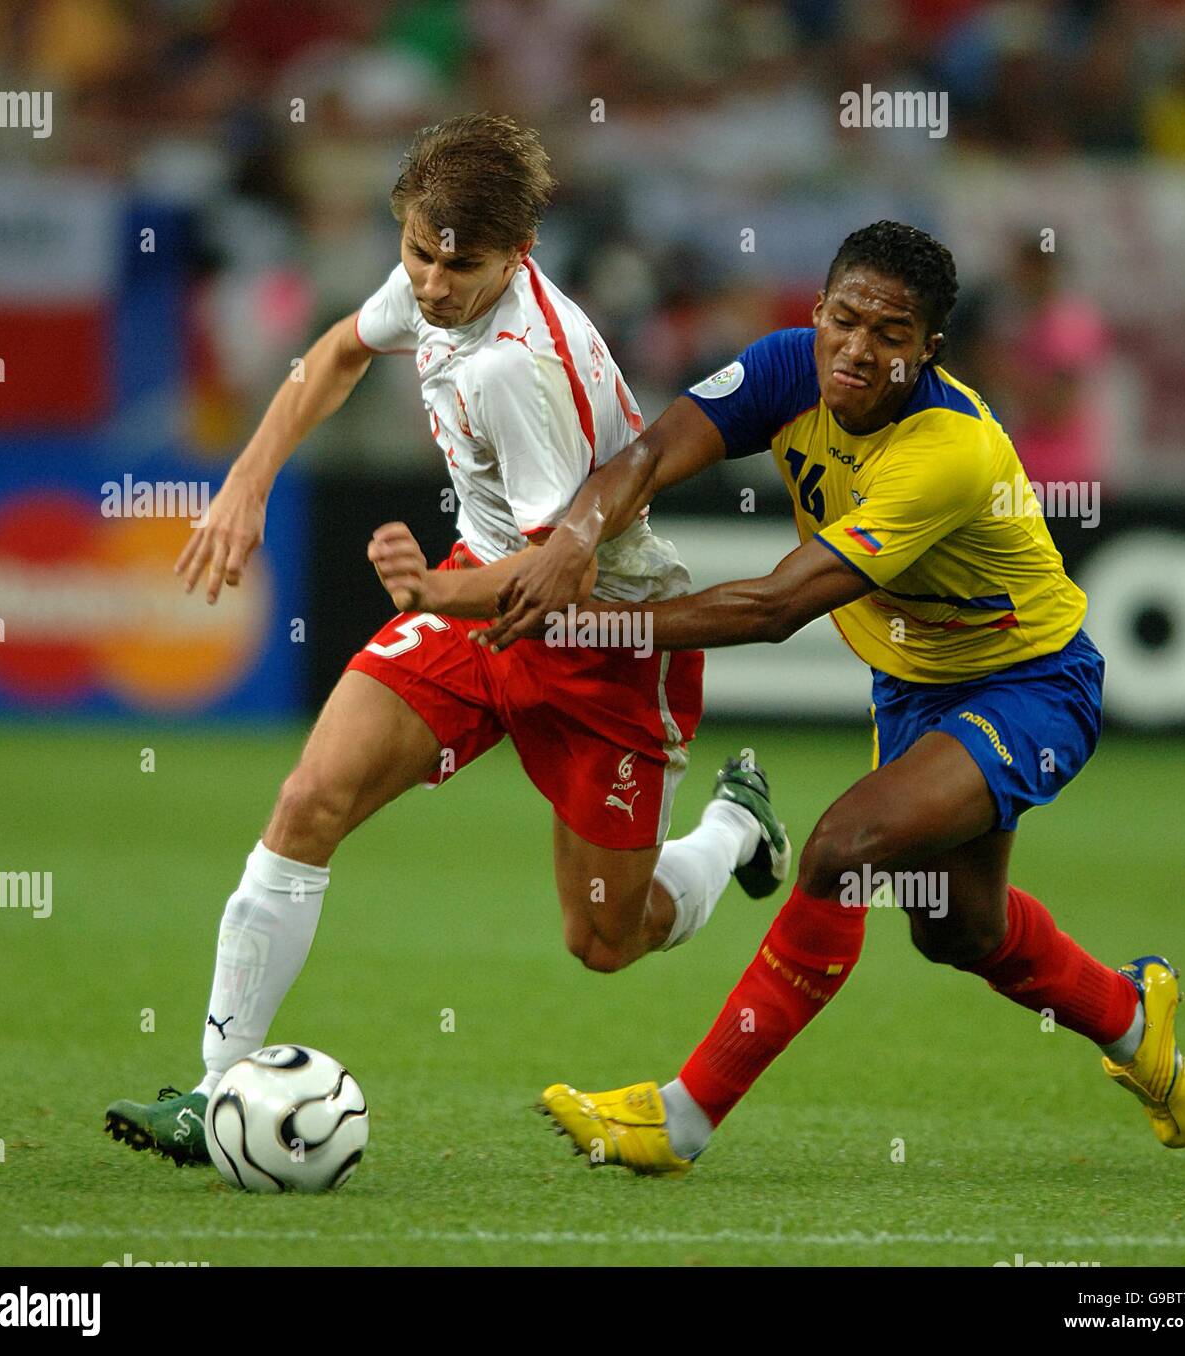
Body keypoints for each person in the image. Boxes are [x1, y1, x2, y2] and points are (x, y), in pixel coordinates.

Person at [104, 114, 789, 1166]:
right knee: (307, 802)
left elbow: (555, 578)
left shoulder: (520, 367)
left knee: (605, 938)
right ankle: (212, 1092)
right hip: (475, 586)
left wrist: (429, 589)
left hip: (602, 638)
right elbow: (335, 353)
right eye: (416, 252)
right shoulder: (430, 283)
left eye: (458, 267)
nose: (430, 284)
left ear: (519, 256)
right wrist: (245, 484)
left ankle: (734, 830)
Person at [480, 220, 1185, 1174]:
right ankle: (1131, 1017)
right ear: (818, 311)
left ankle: (679, 1119)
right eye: (844, 319)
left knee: (841, 850)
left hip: (1030, 681)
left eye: (891, 334)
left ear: (929, 349)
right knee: (958, 930)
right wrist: (573, 540)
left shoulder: (946, 453)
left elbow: (777, 606)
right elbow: (650, 456)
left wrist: (591, 626)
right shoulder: (791, 368)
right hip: (912, 689)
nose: (858, 349)